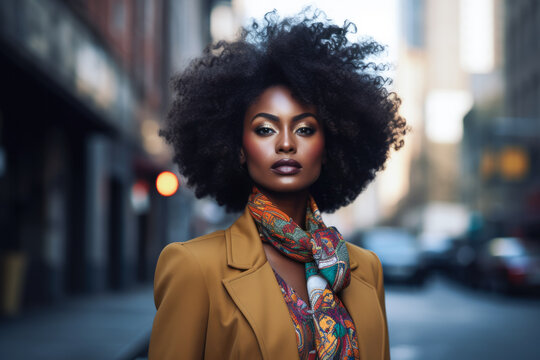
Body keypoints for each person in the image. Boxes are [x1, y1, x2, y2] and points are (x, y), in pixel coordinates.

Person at [149, 9, 407, 360]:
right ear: (238, 148)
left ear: (329, 146)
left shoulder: (364, 269)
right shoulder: (193, 267)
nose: (286, 143)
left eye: (304, 129)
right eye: (265, 129)